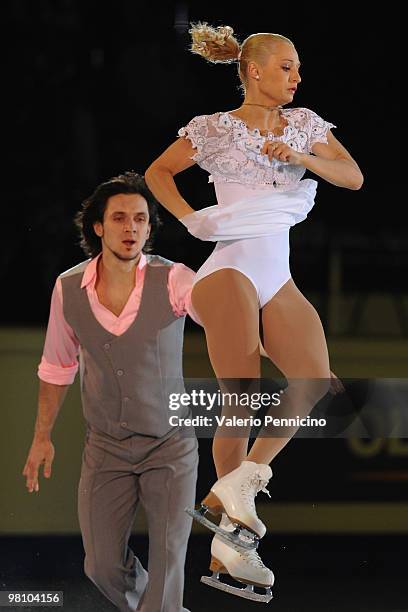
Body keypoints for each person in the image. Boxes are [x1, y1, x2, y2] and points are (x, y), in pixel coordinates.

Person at [145, 24, 363, 601]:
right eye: (286, 67)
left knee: (312, 381)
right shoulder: (215, 129)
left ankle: (231, 502)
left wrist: (298, 156)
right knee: (240, 394)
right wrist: (191, 219)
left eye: (297, 67)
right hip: (230, 271)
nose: (296, 76)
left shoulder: (305, 125)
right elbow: (157, 173)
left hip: (278, 276)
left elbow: (353, 177)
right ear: (255, 71)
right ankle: (231, 526)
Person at [22, 171, 199, 612]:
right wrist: (41, 436)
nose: (131, 228)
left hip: (170, 446)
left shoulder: (175, 279)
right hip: (105, 449)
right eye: (120, 218)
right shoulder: (67, 288)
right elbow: (56, 365)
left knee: (169, 565)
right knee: (100, 566)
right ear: (98, 226)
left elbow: (225, 320)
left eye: (140, 219)